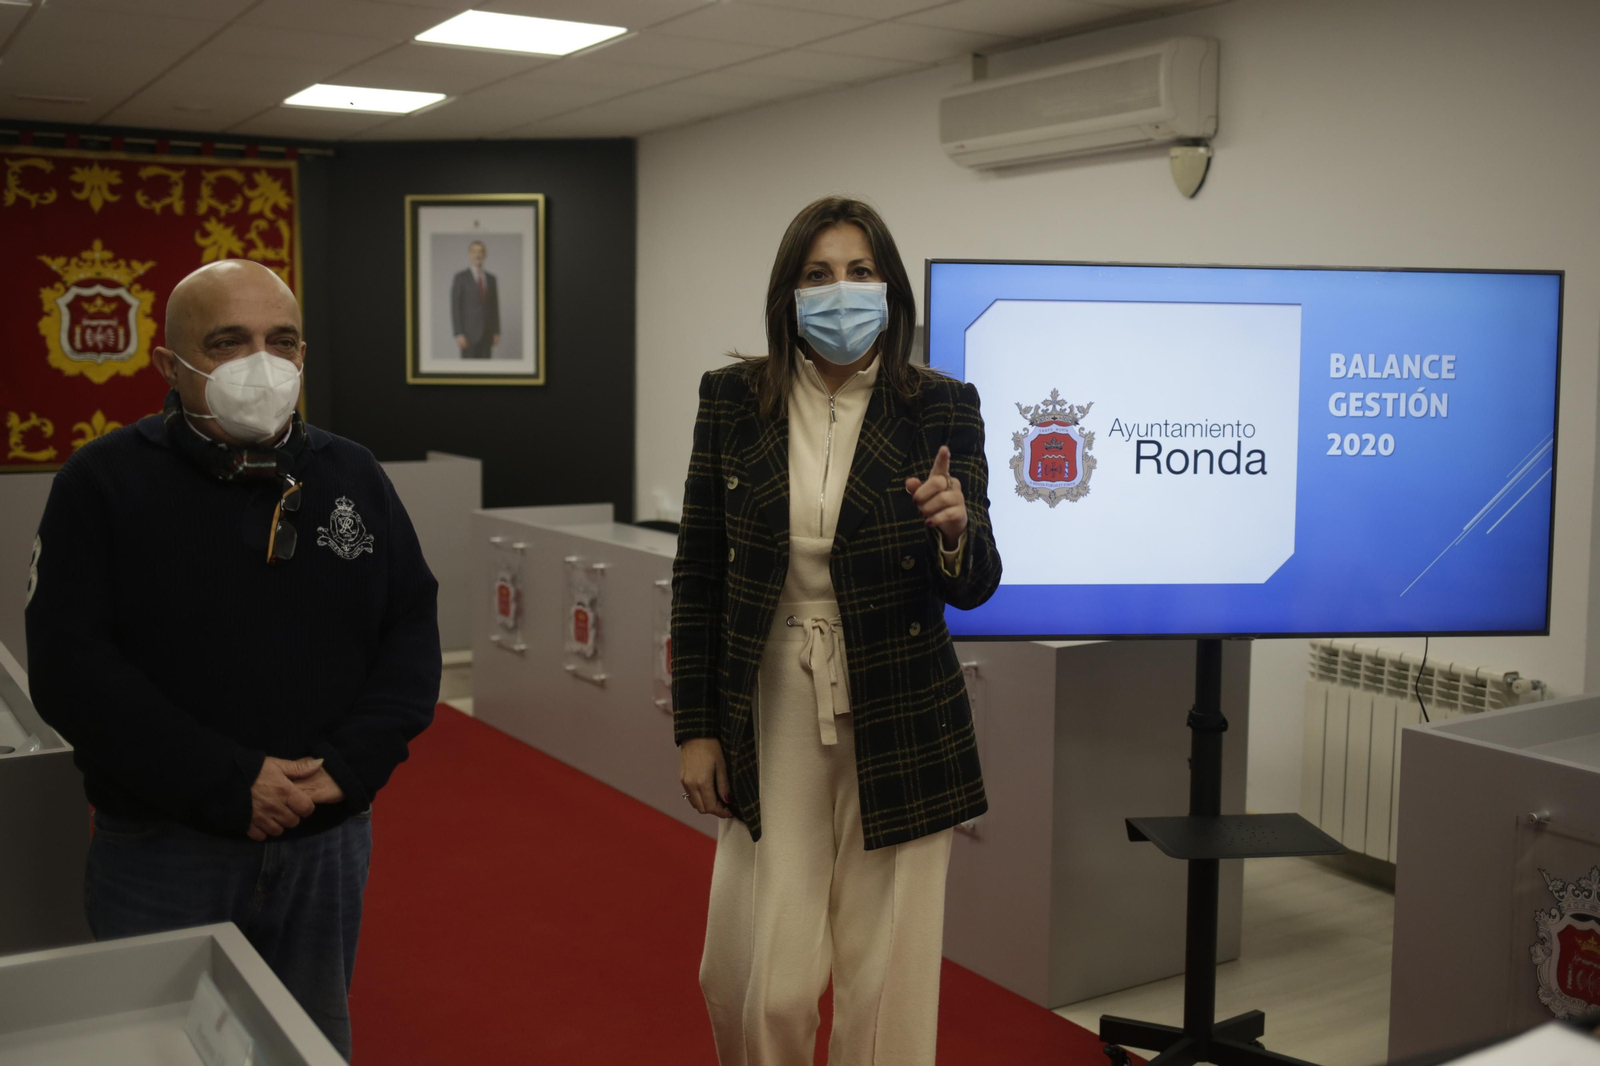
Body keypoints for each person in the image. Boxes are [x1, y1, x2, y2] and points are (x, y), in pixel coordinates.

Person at [24, 259, 440, 1061]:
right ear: (171, 365)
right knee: (156, 1047)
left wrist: (348, 767)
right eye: (229, 342)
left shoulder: (350, 473)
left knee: (308, 1042)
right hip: (164, 848)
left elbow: (410, 632)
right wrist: (225, 779)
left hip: (328, 841)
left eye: (281, 341)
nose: (262, 363)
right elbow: (73, 671)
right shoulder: (102, 483)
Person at [672, 197, 1002, 1065]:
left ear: (890, 289)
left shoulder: (943, 405)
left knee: (882, 981)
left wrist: (954, 529)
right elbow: (700, 569)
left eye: (860, 272)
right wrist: (696, 728)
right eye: (818, 275)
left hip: (900, 705)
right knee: (755, 979)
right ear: (788, 293)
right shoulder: (733, 399)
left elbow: (976, 587)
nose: (841, 291)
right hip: (771, 689)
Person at [450, 239, 500, 359]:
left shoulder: (491, 278)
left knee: (486, 372)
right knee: (469, 372)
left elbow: (494, 307)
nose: (477, 255)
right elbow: (455, 307)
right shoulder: (460, 278)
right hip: (468, 335)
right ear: (469, 254)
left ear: (485, 255)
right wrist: (459, 334)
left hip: (487, 334)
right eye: (474, 252)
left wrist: (496, 331)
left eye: (480, 252)